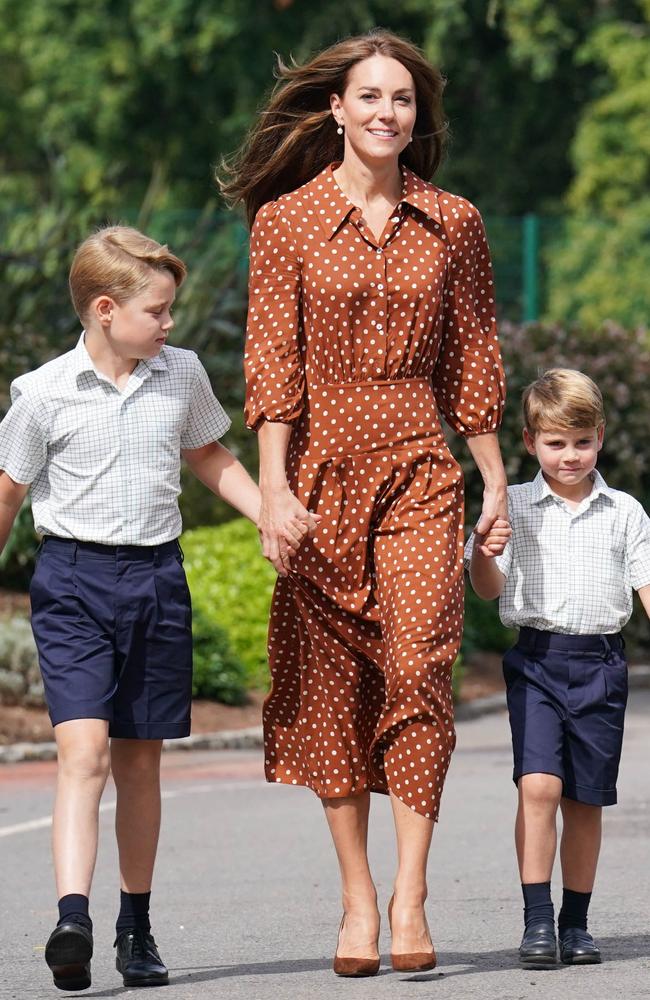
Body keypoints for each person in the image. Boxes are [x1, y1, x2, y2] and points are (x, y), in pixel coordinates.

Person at [221, 30, 508, 975]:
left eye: (404, 101)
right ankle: (355, 901)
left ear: (417, 117)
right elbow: (272, 364)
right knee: (332, 686)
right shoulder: (288, 223)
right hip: (317, 475)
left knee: (422, 661)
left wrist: (494, 474)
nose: (388, 113)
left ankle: (411, 893)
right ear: (336, 109)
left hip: (423, 465)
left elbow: (472, 356)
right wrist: (271, 492)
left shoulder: (454, 220)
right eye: (371, 97)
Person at [0, 225, 310, 992]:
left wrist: (266, 512)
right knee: (83, 754)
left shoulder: (181, 374)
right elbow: (7, 494)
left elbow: (208, 454)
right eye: (158, 311)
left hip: (157, 582)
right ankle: (73, 916)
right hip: (72, 583)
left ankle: (134, 927)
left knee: (141, 762)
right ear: (106, 310)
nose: (169, 323)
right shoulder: (41, 394)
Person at [466, 368, 650, 968]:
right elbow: (489, 588)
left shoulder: (626, 512)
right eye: (555, 443)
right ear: (529, 442)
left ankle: (576, 923)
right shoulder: (512, 506)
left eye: (581, 441)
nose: (569, 455)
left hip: (601, 662)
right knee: (538, 786)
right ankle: (537, 921)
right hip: (538, 660)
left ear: (599, 436)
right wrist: (483, 551)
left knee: (586, 801)